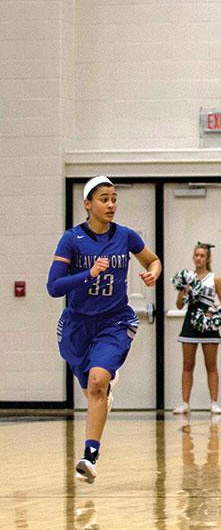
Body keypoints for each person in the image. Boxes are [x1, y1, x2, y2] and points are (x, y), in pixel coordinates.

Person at [47, 176, 161, 484]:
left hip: (114, 321)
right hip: (77, 325)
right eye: (104, 199)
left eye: (114, 199)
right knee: (92, 389)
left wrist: (152, 273)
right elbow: (53, 287)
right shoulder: (71, 240)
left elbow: (153, 260)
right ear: (88, 204)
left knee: (98, 381)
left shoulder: (125, 236)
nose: (111, 204)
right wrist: (88, 273)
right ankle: (103, 387)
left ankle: (90, 456)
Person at [173, 243, 221, 415]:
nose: (198, 258)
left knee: (211, 365)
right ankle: (185, 403)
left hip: (208, 324)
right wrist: (184, 291)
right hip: (190, 324)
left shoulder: (215, 279)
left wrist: (214, 310)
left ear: (207, 258)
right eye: (196, 255)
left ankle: (214, 403)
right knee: (187, 365)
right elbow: (179, 305)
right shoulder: (187, 278)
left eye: (202, 256)